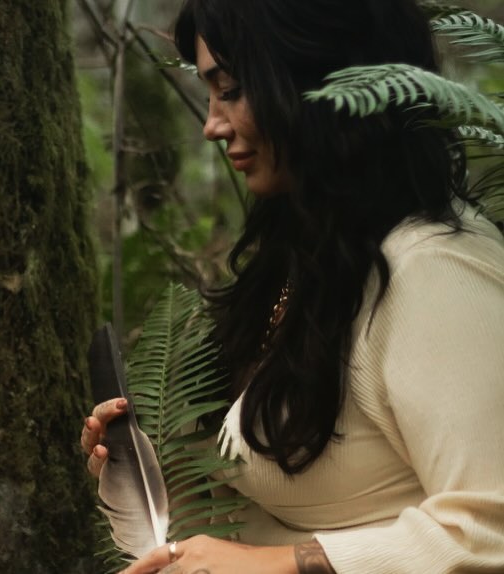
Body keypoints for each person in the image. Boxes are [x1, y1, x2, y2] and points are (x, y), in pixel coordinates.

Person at [80, 0, 504, 572]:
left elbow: (490, 531)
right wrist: (163, 481)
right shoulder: (318, 260)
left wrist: (286, 564)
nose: (211, 124)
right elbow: (269, 525)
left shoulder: (437, 270)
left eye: (229, 88)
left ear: (315, 78)